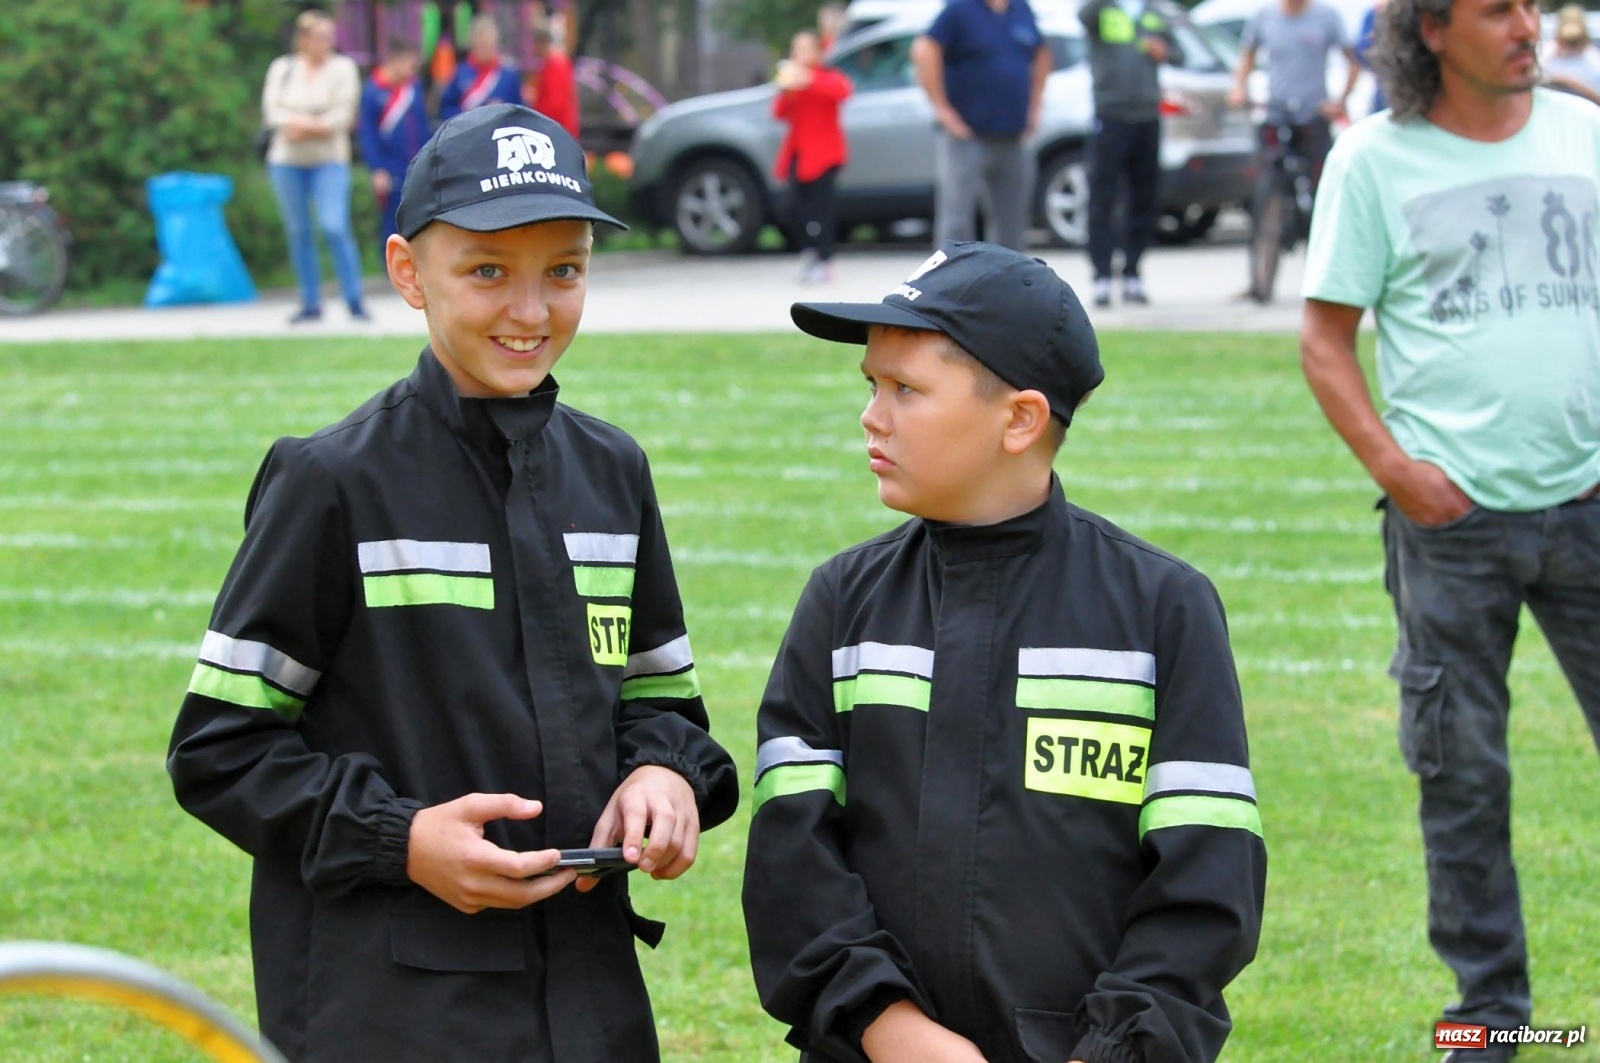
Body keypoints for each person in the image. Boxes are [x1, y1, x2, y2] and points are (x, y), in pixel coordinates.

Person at [168, 103, 740, 1063]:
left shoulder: (613, 472)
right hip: (390, 1013)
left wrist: (666, 775)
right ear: (407, 273)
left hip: (590, 1005)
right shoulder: (332, 482)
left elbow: (663, 705)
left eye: (563, 270)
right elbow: (221, 750)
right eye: (487, 272)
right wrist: (402, 838)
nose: (530, 311)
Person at [743, 241, 1267, 1063]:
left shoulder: (1164, 608)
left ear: (1020, 418)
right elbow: (792, 860)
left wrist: (1113, 1048)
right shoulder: (843, 601)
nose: (871, 416)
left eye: (906, 389)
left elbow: (1205, 888)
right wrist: (891, 1028)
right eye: (871, 386)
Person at [1299, 0, 1600, 1053]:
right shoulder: (1372, 161)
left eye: (1529, 6)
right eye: (1496, 9)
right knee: (1461, 775)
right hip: (1450, 524)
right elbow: (1326, 338)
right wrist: (1396, 469)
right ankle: (1490, 1021)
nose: (1526, 25)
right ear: (1430, 31)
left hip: (1592, 500)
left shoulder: (1584, 130)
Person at [911, 1, 1052, 252]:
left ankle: (1006, 283)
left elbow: (1041, 52)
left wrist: (1035, 104)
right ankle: (949, 283)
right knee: (957, 220)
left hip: (1012, 134)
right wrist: (942, 109)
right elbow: (925, 49)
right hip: (968, 134)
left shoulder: (1020, 9)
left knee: (1012, 222)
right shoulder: (960, 10)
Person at [260, 10, 368, 324]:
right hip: (287, 161)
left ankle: (354, 298)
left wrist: (302, 124)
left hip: (329, 159)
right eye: (320, 36)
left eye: (330, 37)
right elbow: (272, 112)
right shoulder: (283, 68)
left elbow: (343, 115)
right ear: (303, 39)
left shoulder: (342, 68)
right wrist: (314, 122)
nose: (327, 43)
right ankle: (310, 301)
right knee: (299, 231)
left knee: (334, 226)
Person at [1079, 0, 1184, 307]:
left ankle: (1132, 271)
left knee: (1144, 197)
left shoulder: (1153, 11)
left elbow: (1179, 52)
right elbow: (1083, 17)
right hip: (1111, 115)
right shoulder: (1103, 8)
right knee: (1102, 196)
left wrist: (1164, 52)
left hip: (1147, 116)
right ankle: (1101, 275)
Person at [1226, 0, 1360, 199]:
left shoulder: (1327, 15)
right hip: (1276, 110)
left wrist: (1340, 101)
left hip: (1313, 112)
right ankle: (1271, 222)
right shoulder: (1264, 15)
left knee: (1322, 182)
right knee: (1267, 178)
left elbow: (1353, 61)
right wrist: (1239, 88)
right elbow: (1247, 55)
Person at [773, 30, 853, 284]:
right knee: (794, 208)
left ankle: (824, 259)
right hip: (800, 154)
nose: (801, 55)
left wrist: (809, 80)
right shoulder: (794, 85)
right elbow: (779, 113)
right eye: (797, 50)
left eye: (806, 49)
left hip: (825, 155)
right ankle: (809, 251)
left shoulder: (826, 78)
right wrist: (788, 90)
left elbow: (842, 92)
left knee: (822, 211)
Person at [357, 38, 432, 255]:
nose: (413, 69)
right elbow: (368, 135)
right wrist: (377, 169)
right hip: (390, 166)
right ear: (395, 61)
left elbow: (422, 124)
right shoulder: (373, 91)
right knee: (392, 218)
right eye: (410, 63)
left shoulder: (413, 87)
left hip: (414, 162)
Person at [440, 14, 522, 119]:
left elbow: (520, 112)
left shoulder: (508, 75)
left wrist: (503, 109)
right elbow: (445, 110)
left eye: (487, 44)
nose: (484, 49)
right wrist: (467, 112)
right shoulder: (460, 72)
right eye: (480, 44)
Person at [526, 27, 581, 140]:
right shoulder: (547, 64)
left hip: (558, 130)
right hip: (559, 129)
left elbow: (555, 103)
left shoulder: (555, 65)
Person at [1541, 4, 1600, 102]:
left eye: (1574, 42)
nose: (1569, 48)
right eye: (1566, 41)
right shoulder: (1546, 55)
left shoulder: (1593, 59)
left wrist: (1573, 84)